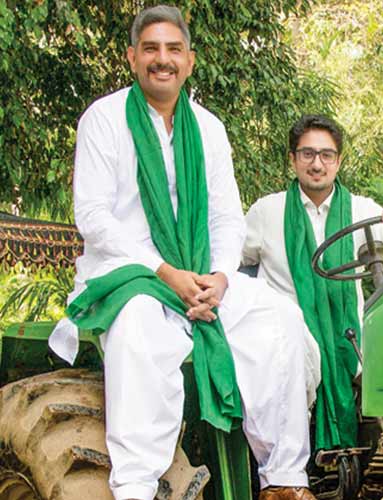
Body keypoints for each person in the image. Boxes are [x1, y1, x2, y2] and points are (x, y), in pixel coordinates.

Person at [48, 6, 318, 500]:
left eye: (173, 49)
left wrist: (220, 277)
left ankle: (283, 480)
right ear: (132, 57)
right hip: (129, 273)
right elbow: (94, 217)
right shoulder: (104, 119)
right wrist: (165, 271)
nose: (162, 59)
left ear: (189, 61)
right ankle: (135, 486)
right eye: (150, 48)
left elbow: (226, 217)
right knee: (138, 327)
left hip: (201, 276)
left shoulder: (208, 128)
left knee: (279, 317)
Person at [242, 115, 383, 451]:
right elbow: (230, 262)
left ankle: (381, 459)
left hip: (349, 341)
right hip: (287, 346)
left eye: (326, 155)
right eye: (307, 154)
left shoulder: (360, 209)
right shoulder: (267, 212)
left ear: (338, 161)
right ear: (293, 159)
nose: (317, 164)